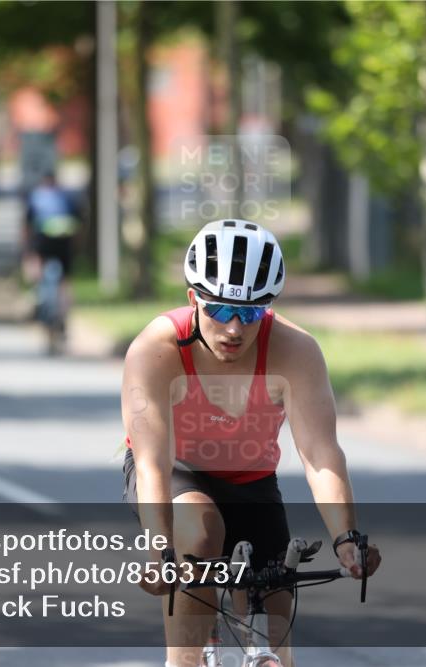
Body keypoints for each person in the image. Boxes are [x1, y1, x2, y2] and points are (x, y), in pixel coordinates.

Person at [121, 220, 382, 667]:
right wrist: (160, 549)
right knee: (202, 532)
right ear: (193, 299)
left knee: (276, 637)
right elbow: (151, 463)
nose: (235, 328)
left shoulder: (295, 350)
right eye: (220, 310)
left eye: (252, 311)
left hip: (252, 481)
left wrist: (346, 538)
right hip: (178, 473)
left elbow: (320, 453)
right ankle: (182, 660)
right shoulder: (157, 349)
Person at [24, 172, 79, 333]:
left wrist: (28, 253)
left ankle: (37, 306)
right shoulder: (66, 197)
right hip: (65, 240)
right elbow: (78, 224)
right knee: (65, 282)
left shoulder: (36, 196)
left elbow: (27, 226)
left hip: (43, 241)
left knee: (38, 274)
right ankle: (65, 314)